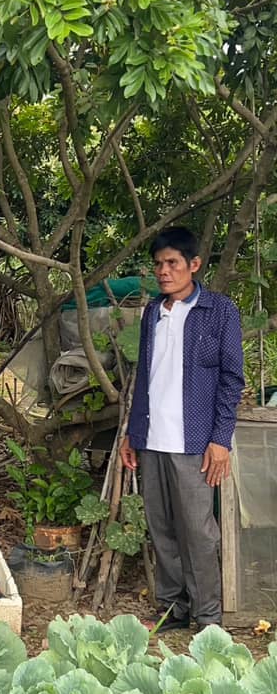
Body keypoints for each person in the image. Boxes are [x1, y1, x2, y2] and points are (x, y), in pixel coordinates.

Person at [121, 226, 244, 633]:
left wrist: (220, 440)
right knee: (162, 529)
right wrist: (133, 433)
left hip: (194, 441)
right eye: (158, 264)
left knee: (199, 532)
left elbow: (231, 380)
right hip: (152, 439)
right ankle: (173, 609)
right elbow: (145, 376)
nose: (164, 271)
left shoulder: (219, 311)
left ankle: (207, 617)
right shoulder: (152, 313)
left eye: (172, 263)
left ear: (194, 265)